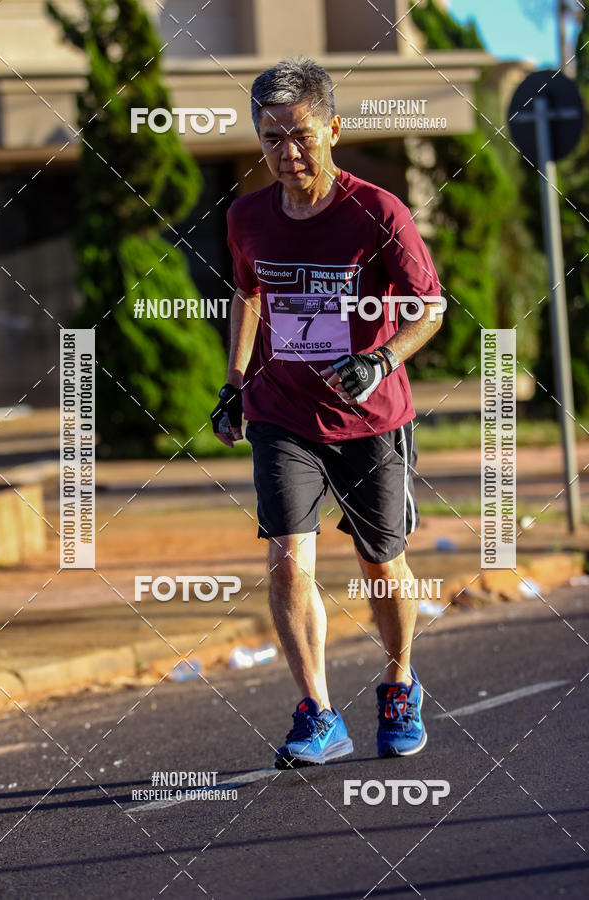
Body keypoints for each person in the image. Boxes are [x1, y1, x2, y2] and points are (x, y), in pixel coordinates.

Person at [210, 58, 444, 767]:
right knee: (286, 561)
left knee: (382, 562)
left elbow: (429, 307)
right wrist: (234, 382)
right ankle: (317, 711)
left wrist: (380, 359)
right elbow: (250, 294)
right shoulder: (247, 216)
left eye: (301, 135)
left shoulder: (377, 212)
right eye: (271, 138)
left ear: (333, 129)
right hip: (281, 410)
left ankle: (400, 681)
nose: (288, 152)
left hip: (370, 418)